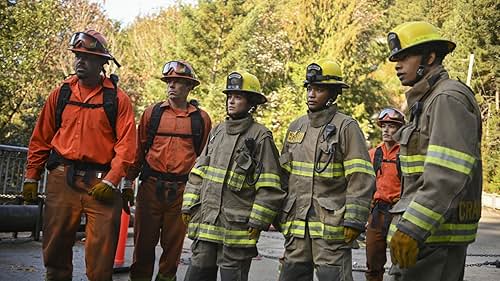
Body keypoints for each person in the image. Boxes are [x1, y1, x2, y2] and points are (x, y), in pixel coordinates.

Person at [22, 30, 137, 281]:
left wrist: (112, 180)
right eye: (77, 56)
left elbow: (127, 146)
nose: (80, 61)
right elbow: (41, 136)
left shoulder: (117, 99)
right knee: (55, 249)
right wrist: (32, 175)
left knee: (101, 257)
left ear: (102, 63)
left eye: (87, 57)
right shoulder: (61, 93)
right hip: (62, 179)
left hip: (101, 184)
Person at [385, 21, 482, 281]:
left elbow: (447, 173)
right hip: (425, 239)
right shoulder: (425, 103)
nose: (397, 64)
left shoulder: (447, 98)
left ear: (429, 57)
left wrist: (413, 227)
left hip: (433, 239)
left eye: (404, 57)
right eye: (395, 58)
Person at [181, 71, 285, 281]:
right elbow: (198, 172)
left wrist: (258, 221)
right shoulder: (217, 131)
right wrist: (188, 205)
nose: (231, 101)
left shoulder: (260, 137)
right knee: (196, 274)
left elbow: (270, 184)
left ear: (251, 102)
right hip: (207, 223)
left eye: (238, 97)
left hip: (237, 230)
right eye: (229, 96)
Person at [278, 58, 375, 281]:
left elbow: (360, 178)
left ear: (333, 94)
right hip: (297, 226)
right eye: (309, 88)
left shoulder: (346, 127)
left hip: (331, 228)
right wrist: (279, 214)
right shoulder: (296, 126)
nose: (311, 94)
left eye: (319, 89)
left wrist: (354, 220)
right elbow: (283, 175)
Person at [125, 60, 212, 281]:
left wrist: (200, 194)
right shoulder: (152, 113)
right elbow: (139, 149)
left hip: (181, 192)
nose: (172, 86)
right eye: (169, 81)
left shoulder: (200, 120)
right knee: (143, 247)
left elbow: (204, 157)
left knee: (172, 249)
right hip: (150, 188)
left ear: (189, 87)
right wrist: (128, 181)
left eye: (178, 82)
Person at [365, 107, 405, 281]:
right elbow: (364, 185)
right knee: (373, 260)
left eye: (391, 126)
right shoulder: (374, 154)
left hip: (399, 212)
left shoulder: (406, 154)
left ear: (400, 129)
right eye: (383, 126)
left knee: (401, 262)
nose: (386, 130)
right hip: (377, 213)